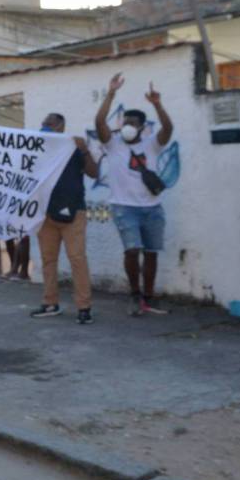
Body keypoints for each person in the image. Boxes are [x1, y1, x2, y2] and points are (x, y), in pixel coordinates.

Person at [94, 73, 173, 316]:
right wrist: (111, 93)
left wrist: (158, 105)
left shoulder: (151, 143)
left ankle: (148, 296)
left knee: (151, 252)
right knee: (131, 250)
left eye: (132, 123)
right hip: (123, 207)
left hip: (152, 207)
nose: (127, 126)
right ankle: (134, 294)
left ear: (142, 126)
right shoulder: (113, 143)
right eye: (125, 122)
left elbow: (168, 129)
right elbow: (99, 123)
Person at [30, 113, 98, 324]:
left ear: (61, 127)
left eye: (49, 123)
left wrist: (84, 149)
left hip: (73, 212)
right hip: (46, 213)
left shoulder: (74, 148)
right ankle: (50, 303)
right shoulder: (37, 148)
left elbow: (94, 173)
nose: (44, 126)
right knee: (48, 261)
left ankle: (84, 308)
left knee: (77, 260)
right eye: (43, 123)